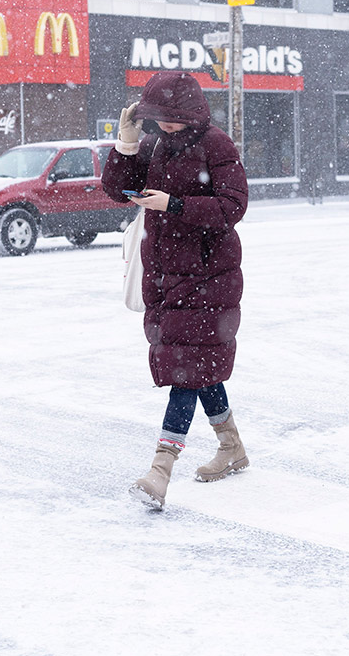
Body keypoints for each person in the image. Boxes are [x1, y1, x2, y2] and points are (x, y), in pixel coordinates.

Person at [101, 70, 250, 509]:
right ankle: (232, 447)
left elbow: (232, 205)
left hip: (209, 276)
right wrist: (125, 145)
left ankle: (160, 470)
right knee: (196, 365)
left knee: (186, 371)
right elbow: (115, 190)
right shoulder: (153, 146)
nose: (163, 126)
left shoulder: (216, 145)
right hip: (164, 275)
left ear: (189, 114)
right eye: (155, 118)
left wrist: (176, 204)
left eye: (170, 119)